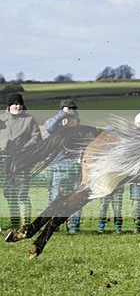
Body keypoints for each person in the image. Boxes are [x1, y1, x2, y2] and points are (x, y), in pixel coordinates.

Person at [0, 92, 42, 228]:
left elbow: (36, 137)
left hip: (22, 161)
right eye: (14, 104)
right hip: (3, 161)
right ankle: (14, 223)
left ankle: (25, 225)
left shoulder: (29, 120)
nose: (18, 107)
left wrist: (25, 148)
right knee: (9, 194)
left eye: (19, 104)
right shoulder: (1, 119)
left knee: (22, 193)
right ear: (9, 105)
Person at [44, 99, 82, 234]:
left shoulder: (81, 131)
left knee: (76, 198)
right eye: (68, 117)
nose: (71, 120)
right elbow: (49, 127)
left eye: (73, 117)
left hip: (76, 168)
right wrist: (63, 113)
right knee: (55, 197)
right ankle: (54, 226)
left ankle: (74, 227)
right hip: (58, 168)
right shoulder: (58, 130)